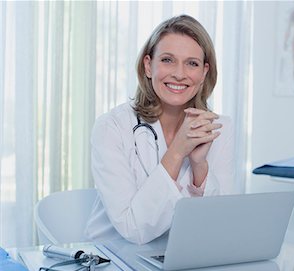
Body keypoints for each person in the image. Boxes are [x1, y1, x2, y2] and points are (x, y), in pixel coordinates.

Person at [85, 15, 235, 245]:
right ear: (148, 65)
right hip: (114, 260)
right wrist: (176, 152)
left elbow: (220, 228)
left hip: (181, 260)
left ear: (204, 72)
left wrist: (199, 167)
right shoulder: (111, 127)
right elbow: (133, 228)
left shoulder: (219, 129)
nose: (179, 73)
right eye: (168, 60)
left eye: (192, 63)